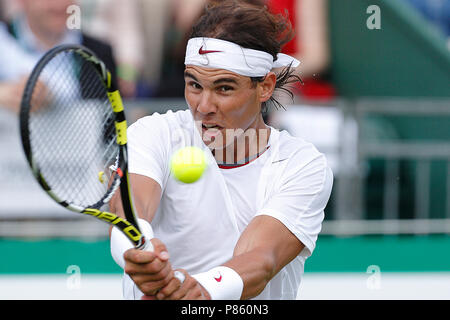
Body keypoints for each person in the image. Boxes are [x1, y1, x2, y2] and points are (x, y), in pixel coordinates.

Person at [110, 0, 333, 300]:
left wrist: (201, 292)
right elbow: (130, 206)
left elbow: (260, 258)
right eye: (194, 85)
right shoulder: (154, 133)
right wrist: (139, 249)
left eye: (224, 88)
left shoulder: (302, 165)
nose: (203, 107)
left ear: (265, 86)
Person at [0, 0, 117, 112]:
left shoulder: (100, 53)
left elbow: (109, 120)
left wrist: (48, 94)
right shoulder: (4, 40)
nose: (58, 4)